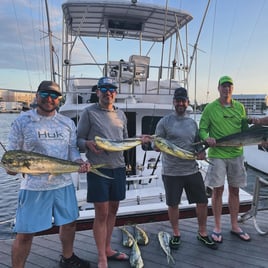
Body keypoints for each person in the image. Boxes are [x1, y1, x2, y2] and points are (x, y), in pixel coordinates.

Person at [7, 81, 91, 268]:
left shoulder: (67, 122)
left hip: (63, 183)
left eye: (54, 96)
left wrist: (79, 163)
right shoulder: (22, 121)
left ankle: (68, 258)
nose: (49, 99)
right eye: (45, 94)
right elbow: (12, 153)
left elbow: (72, 150)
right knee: (26, 232)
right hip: (34, 188)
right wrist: (11, 168)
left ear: (59, 100)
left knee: (69, 224)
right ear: (37, 96)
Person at [154, 87, 218, 250]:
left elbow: (197, 145)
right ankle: (176, 234)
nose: (180, 103)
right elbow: (157, 143)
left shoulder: (192, 123)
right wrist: (156, 146)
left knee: (202, 201)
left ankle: (202, 233)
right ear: (174, 102)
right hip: (172, 172)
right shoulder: (164, 122)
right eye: (178, 100)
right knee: (173, 204)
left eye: (183, 100)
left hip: (192, 169)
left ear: (187, 103)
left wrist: (202, 152)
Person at [77, 77, 129, 268]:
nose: (108, 92)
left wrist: (140, 139)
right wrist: (87, 144)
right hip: (98, 170)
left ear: (115, 92)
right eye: (104, 88)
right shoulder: (88, 113)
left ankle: (107, 248)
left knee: (113, 210)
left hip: (119, 168)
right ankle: (101, 256)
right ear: (97, 92)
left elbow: (124, 141)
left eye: (112, 89)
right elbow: (79, 139)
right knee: (101, 213)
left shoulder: (121, 115)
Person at [199, 75, 251, 243]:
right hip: (217, 154)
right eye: (224, 86)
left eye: (229, 86)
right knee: (218, 190)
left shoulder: (240, 108)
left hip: (236, 154)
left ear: (232, 89)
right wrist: (207, 138)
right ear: (218, 88)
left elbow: (244, 130)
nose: (226, 89)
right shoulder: (210, 108)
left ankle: (235, 225)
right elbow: (202, 128)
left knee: (235, 190)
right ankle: (217, 227)